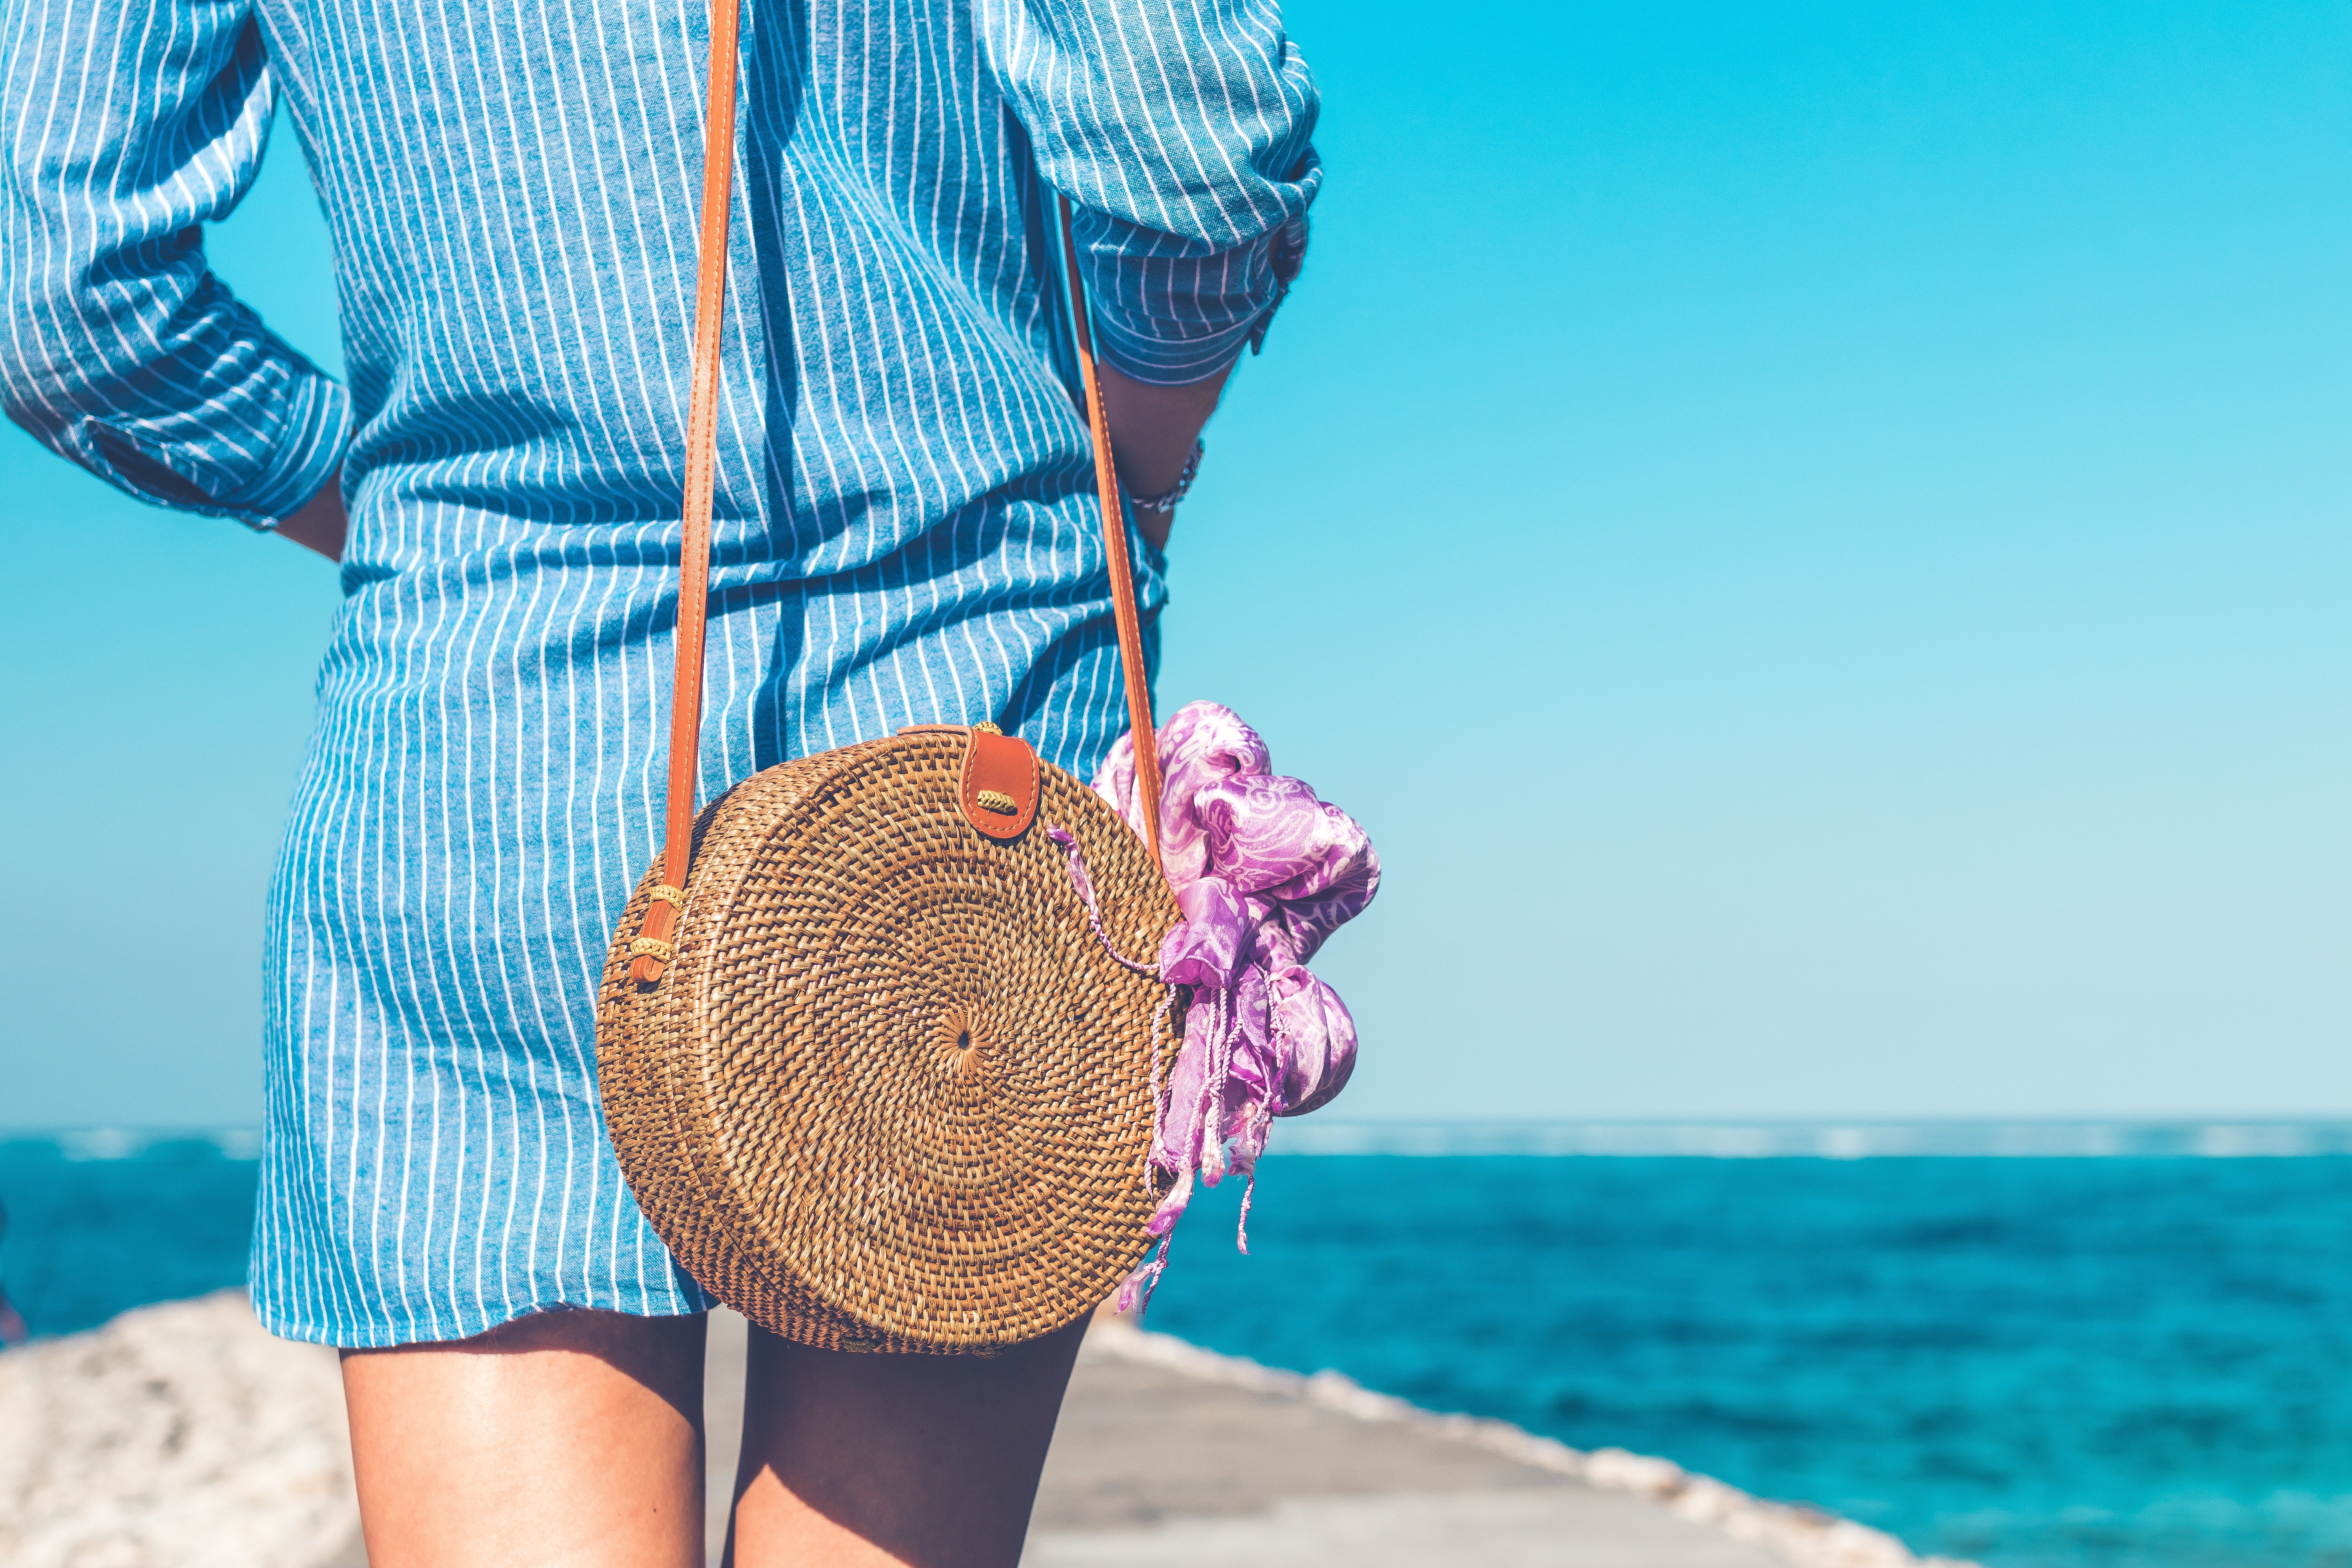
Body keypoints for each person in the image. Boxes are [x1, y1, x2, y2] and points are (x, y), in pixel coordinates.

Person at [0, 0, 1320, 1561]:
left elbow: (68, 298)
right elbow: (1194, 143)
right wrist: (1142, 460)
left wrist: (405, 516)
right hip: (961, 712)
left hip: (485, 739)